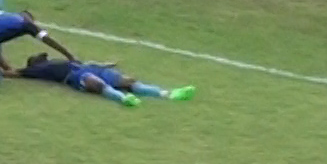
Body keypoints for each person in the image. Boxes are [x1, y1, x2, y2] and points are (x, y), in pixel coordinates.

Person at [18, 52, 196, 107]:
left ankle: (171, 94)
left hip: (92, 68)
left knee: (130, 82)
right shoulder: (39, 70)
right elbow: (17, 73)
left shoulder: (62, 62)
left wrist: (106, 64)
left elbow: (87, 62)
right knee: (96, 84)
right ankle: (123, 99)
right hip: (76, 76)